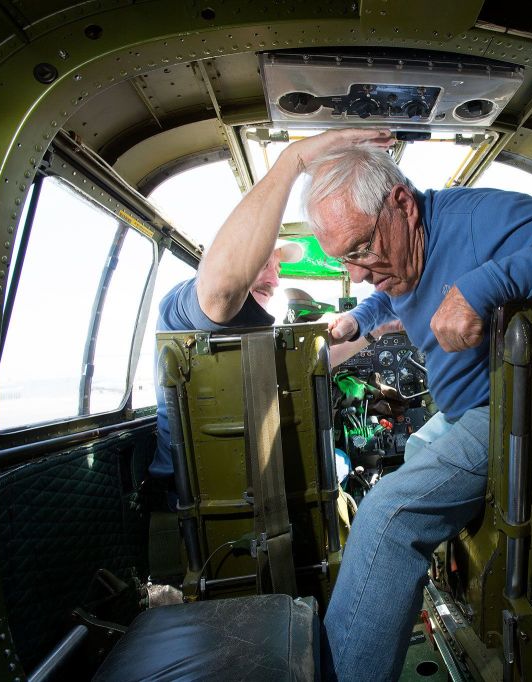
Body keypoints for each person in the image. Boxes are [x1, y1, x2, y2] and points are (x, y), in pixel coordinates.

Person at [302, 141, 532, 680]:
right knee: (413, 453)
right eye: (342, 260)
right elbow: (390, 294)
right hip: (457, 412)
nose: (357, 272)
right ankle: (438, 584)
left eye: (361, 249)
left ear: (403, 204)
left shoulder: (475, 220)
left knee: (386, 516)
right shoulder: (398, 257)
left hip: (503, 412)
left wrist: (482, 287)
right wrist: (359, 318)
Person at [150, 128, 397, 491]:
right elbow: (221, 290)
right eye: (265, 263)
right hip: (196, 497)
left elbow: (309, 363)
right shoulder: (182, 306)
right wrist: (293, 161)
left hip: (265, 487)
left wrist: (379, 329)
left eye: (278, 267)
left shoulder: (254, 330)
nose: (274, 279)